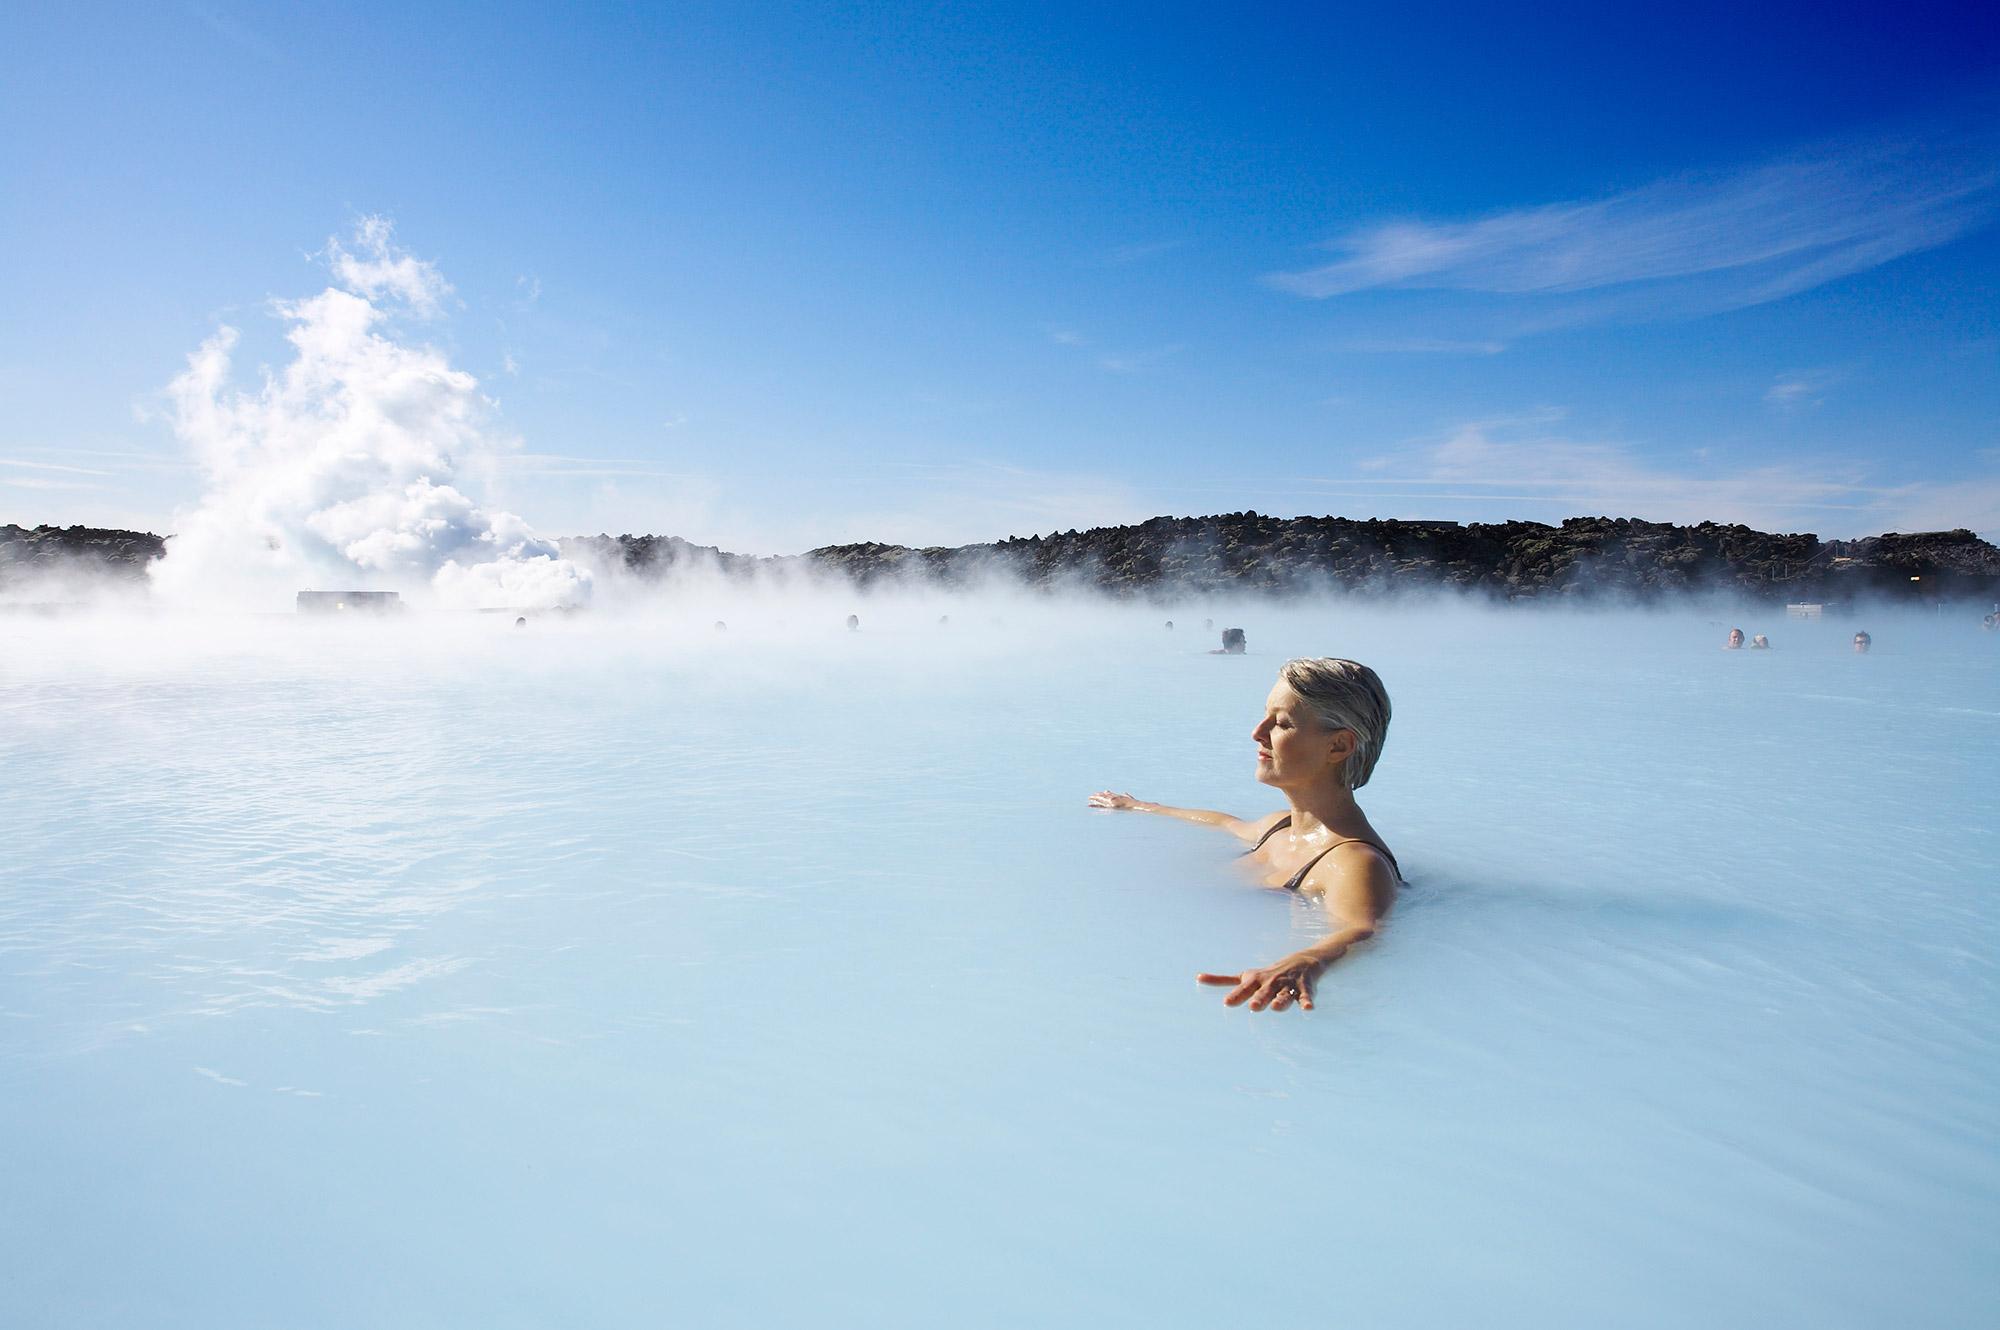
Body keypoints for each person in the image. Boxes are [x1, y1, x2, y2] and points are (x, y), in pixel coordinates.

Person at [1088, 657, 1398, 1014]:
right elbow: (1224, 822)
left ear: (1339, 747)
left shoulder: (1354, 862)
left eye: (1282, 723)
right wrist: (1137, 806)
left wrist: (1309, 960)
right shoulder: (1279, 827)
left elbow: (1364, 928)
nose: (1258, 732)